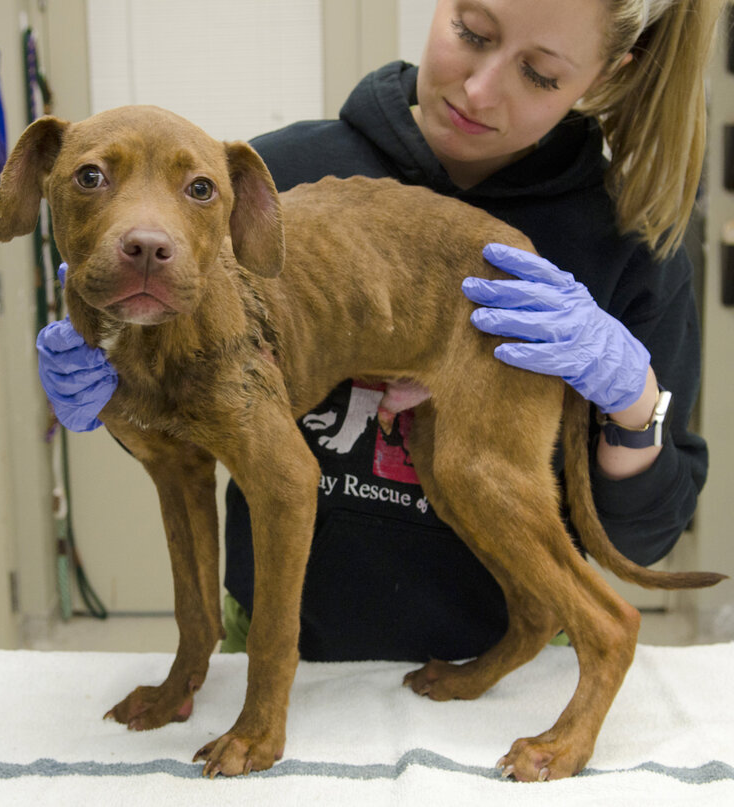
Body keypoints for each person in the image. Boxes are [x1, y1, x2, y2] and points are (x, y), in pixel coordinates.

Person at [37, 0, 722, 662]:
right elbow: (194, 429)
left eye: (539, 73)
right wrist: (117, 384)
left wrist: (633, 404)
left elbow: (645, 533)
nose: (480, 90)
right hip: (289, 651)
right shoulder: (269, 180)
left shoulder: (631, 238)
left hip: (521, 662)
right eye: (473, 31)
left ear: (608, 73)